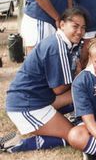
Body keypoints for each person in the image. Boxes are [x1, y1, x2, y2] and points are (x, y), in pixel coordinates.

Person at [2, 8, 87, 153]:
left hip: (42, 98)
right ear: (61, 25)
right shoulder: (57, 46)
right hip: (27, 106)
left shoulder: (67, 43)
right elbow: (59, 89)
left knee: (82, 91)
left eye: (83, 28)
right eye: (75, 26)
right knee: (75, 136)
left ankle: (75, 119)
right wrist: (81, 78)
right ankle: (18, 144)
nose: (80, 31)